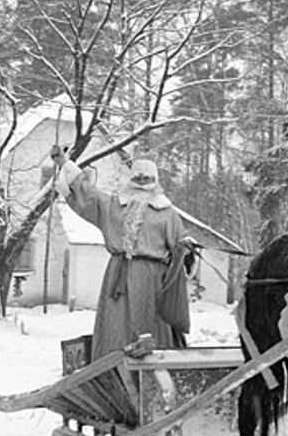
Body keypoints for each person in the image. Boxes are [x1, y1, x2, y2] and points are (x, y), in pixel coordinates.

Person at [50, 146, 191, 361]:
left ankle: (157, 374)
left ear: (156, 180)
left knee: (151, 326)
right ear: (131, 178)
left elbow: (181, 249)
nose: (143, 181)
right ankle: (111, 371)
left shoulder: (168, 214)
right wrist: (65, 163)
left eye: (147, 177)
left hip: (153, 281)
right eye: (138, 177)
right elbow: (89, 195)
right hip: (119, 277)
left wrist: (186, 250)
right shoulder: (114, 206)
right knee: (117, 328)